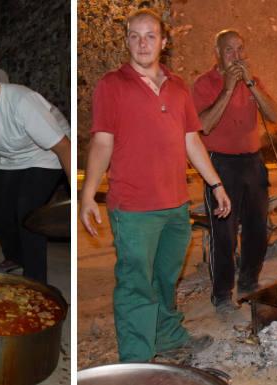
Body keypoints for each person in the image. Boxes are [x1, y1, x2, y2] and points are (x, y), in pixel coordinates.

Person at [79, 9, 231, 363]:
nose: (142, 43)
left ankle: (167, 336)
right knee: (135, 285)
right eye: (134, 35)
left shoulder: (178, 87)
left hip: (175, 205)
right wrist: (87, 194)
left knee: (165, 279)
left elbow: (191, 140)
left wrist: (216, 184)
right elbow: (102, 142)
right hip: (132, 208)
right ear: (126, 41)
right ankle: (136, 359)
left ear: (164, 42)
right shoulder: (111, 85)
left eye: (150, 36)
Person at [0, 43, 70, 284]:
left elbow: (63, 147)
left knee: (27, 211)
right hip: (9, 160)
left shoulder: (21, 102)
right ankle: (16, 257)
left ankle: (35, 283)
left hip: (45, 154)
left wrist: (78, 194)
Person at [192, 29, 277, 313]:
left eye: (240, 49)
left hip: (253, 161)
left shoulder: (252, 81)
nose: (236, 55)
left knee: (257, 226)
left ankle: (249, 281)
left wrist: (251, 84)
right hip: (221, 164)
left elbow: (275, 115)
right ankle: (221, 293)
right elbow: (204, 125)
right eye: (229, 50)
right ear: (217, 53)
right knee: (224, 232)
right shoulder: (205, 83)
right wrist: (228, 88)